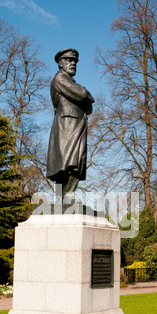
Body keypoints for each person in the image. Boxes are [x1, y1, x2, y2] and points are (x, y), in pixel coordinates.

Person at [47, 48, 95, 201]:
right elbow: (82, 95)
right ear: (60, 63)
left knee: (75, 160)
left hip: (75, 125)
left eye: (74, 61)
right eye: (69, 60)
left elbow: (89, 107)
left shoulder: (69, 81)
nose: (73, 63)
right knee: (68, 161)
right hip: (67, 126)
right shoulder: (60, 79)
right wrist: (85, 94)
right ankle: (65, 196)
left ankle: (66, 196)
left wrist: (85, 98)